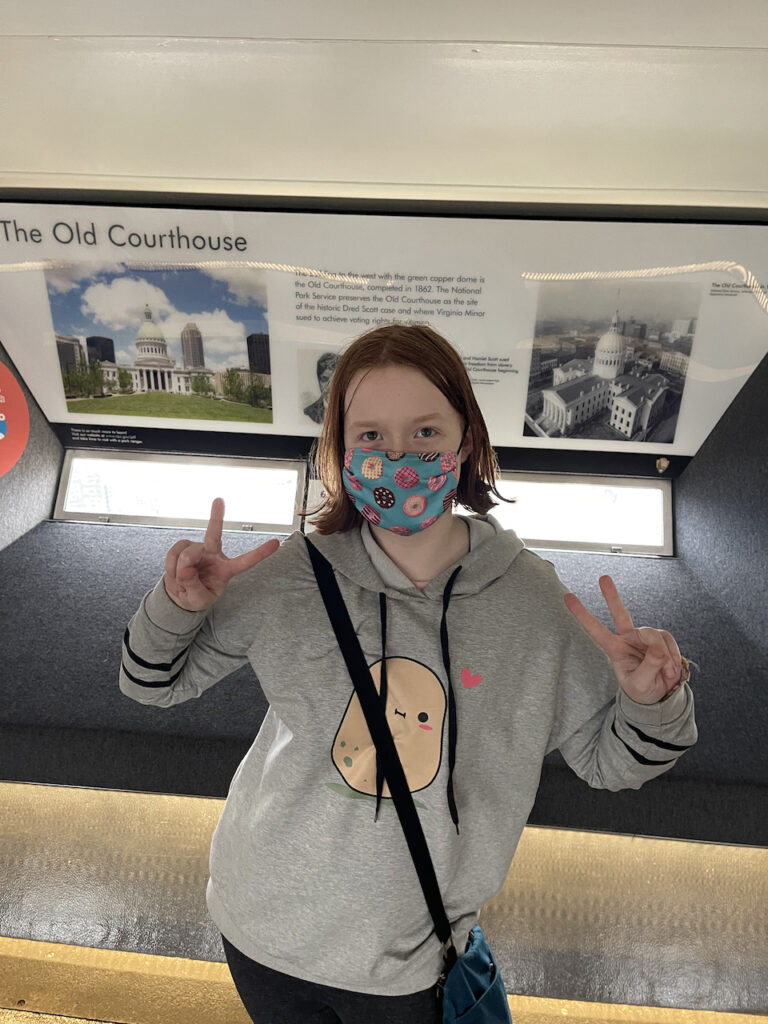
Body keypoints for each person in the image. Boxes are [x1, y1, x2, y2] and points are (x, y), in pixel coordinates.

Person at [120, 323, 697, 1024]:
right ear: (339, 447)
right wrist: (175, 608)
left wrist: (650, 702)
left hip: (408, 963)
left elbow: (613, 764)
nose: (399, 458)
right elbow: (152, 682)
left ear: (465, 439)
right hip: (256, 925)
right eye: (370, 437)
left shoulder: (534, 602)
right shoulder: (288, 575)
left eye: (425, 432)